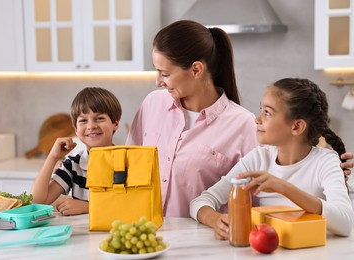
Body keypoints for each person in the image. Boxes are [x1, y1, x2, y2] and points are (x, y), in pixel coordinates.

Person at [126, 20, 354, 217]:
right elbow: (127, 166)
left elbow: (277, 183)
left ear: (196, 70)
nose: (158, 81)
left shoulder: (243, 124)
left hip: (207, 245)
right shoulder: (152, 104)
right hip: (145, 233)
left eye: (165, 74)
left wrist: (329, 165)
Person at [190, 78, 354, 239]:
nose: (257, 118)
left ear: (296, 127)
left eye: (267, 112)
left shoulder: (325, 161)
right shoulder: (258, 158)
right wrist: (215, 219)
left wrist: (283, 187)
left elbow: (345, 223)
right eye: (261, 109)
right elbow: (201, 201)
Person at [31, 87, 122, 216]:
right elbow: (37, 203)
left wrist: (89, 207)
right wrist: (53, 157)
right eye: (83, 120)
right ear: (76, 130)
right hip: (84, 235)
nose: (91, 126)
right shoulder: (73, 164)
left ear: (115, 124)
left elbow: (131, 204)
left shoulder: (127, 160)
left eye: (99, 118)